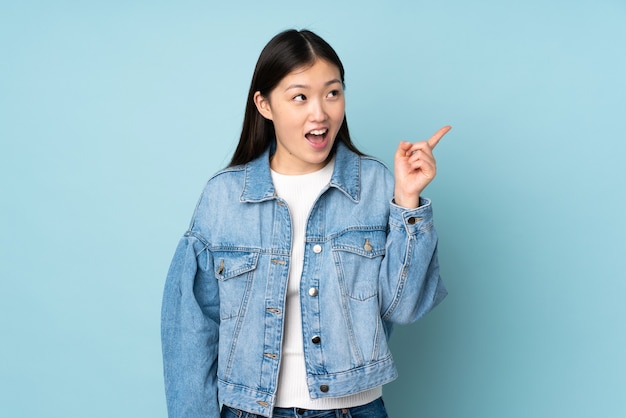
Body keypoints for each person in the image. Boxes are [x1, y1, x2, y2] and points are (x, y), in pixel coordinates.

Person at [161, 29, 450, 418]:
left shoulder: (377, 185)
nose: (320, 112)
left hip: (354, 409)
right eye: (300, 97)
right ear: (264, 105)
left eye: (332, 93)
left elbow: (405, 307)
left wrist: (408, 202)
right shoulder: (223, 198)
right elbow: (189, 334)